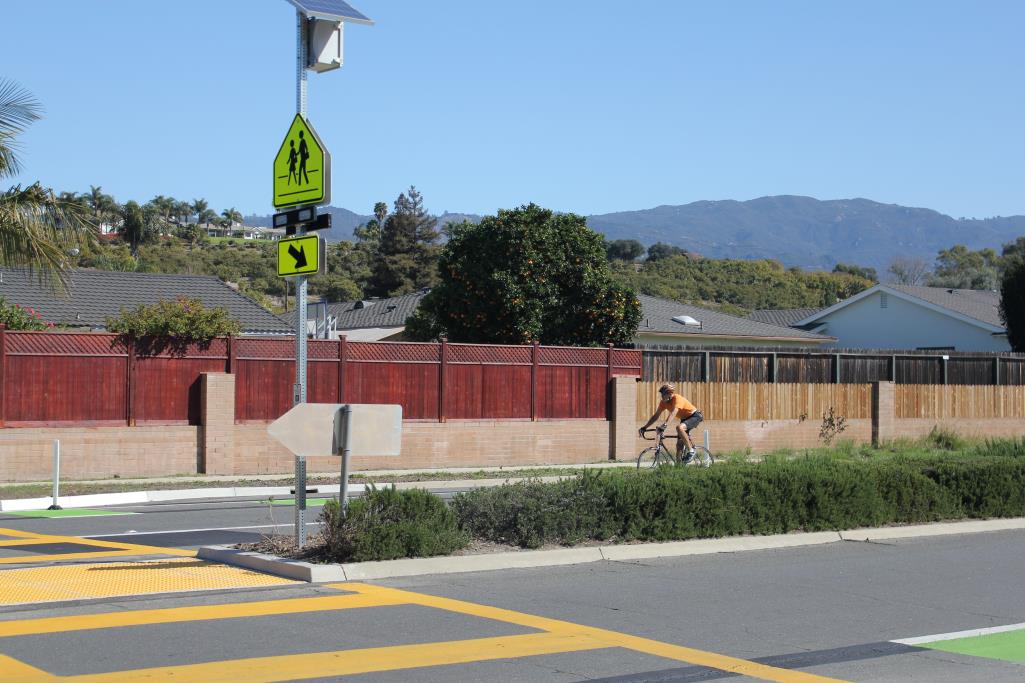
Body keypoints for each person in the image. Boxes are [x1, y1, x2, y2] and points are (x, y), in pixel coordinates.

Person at [639, 383, 703, 463]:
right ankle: (679, 467)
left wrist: (665, 425)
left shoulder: (677, 398)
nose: (662, 397)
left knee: (679, 427)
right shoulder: (663, 402)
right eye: (661, 394)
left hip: (695, 416)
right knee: (679, 445)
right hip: (684, 419)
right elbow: (656, 416)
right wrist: (645, 427)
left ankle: (691, 451)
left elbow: (673, 413)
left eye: (664, 394)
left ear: (670, 394)